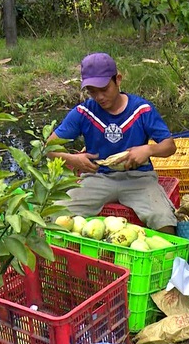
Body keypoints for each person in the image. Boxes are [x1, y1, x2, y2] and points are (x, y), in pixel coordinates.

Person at [47, 52, 178, 234]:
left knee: (163, 218)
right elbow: (49, 147)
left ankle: (168, 260)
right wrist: (73, 159)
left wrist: (147, 150)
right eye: (92, 91)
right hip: (97, 178)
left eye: (104, 89)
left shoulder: (141, 110)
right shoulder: (84, 112)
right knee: (55, 214)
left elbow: (170, 146)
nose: (99, 96)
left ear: (118, 80)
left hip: (138, 179)